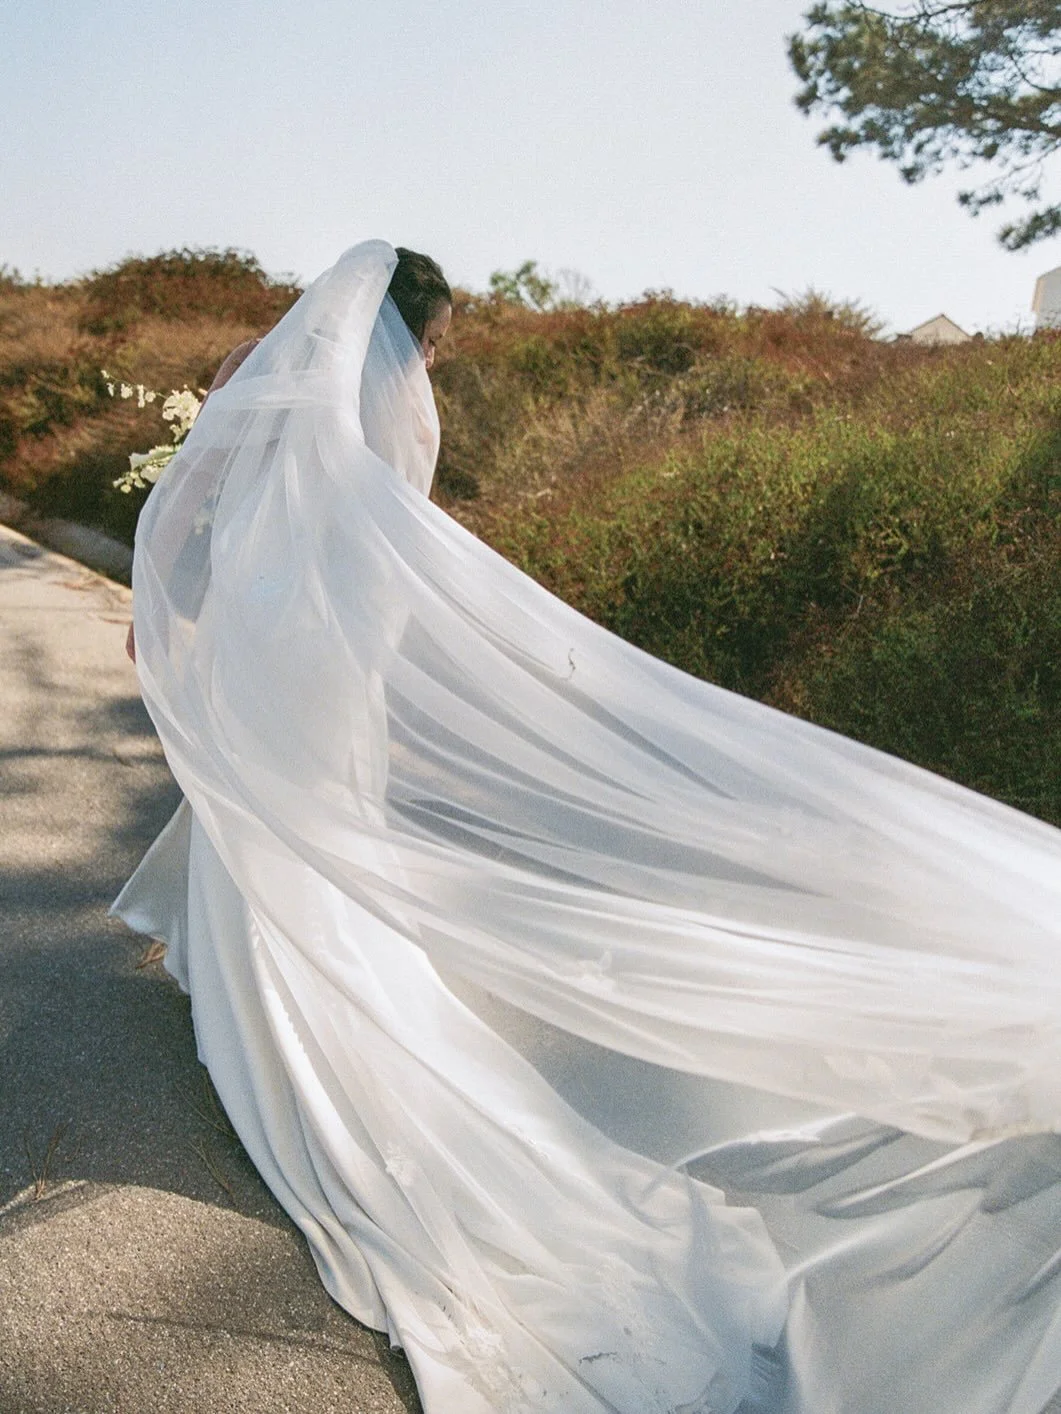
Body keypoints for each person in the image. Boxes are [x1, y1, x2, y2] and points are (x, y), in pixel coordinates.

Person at [114, 240, 1061, 1414]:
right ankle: (297, 985)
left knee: (261, 810)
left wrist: (172, 607)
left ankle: (263, 1000)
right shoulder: (409, 402)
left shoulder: (253, 365)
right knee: (320, 815)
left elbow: (196, 498)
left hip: (266, 619)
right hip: (337, 639)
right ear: (419, 322)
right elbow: (395, 535)